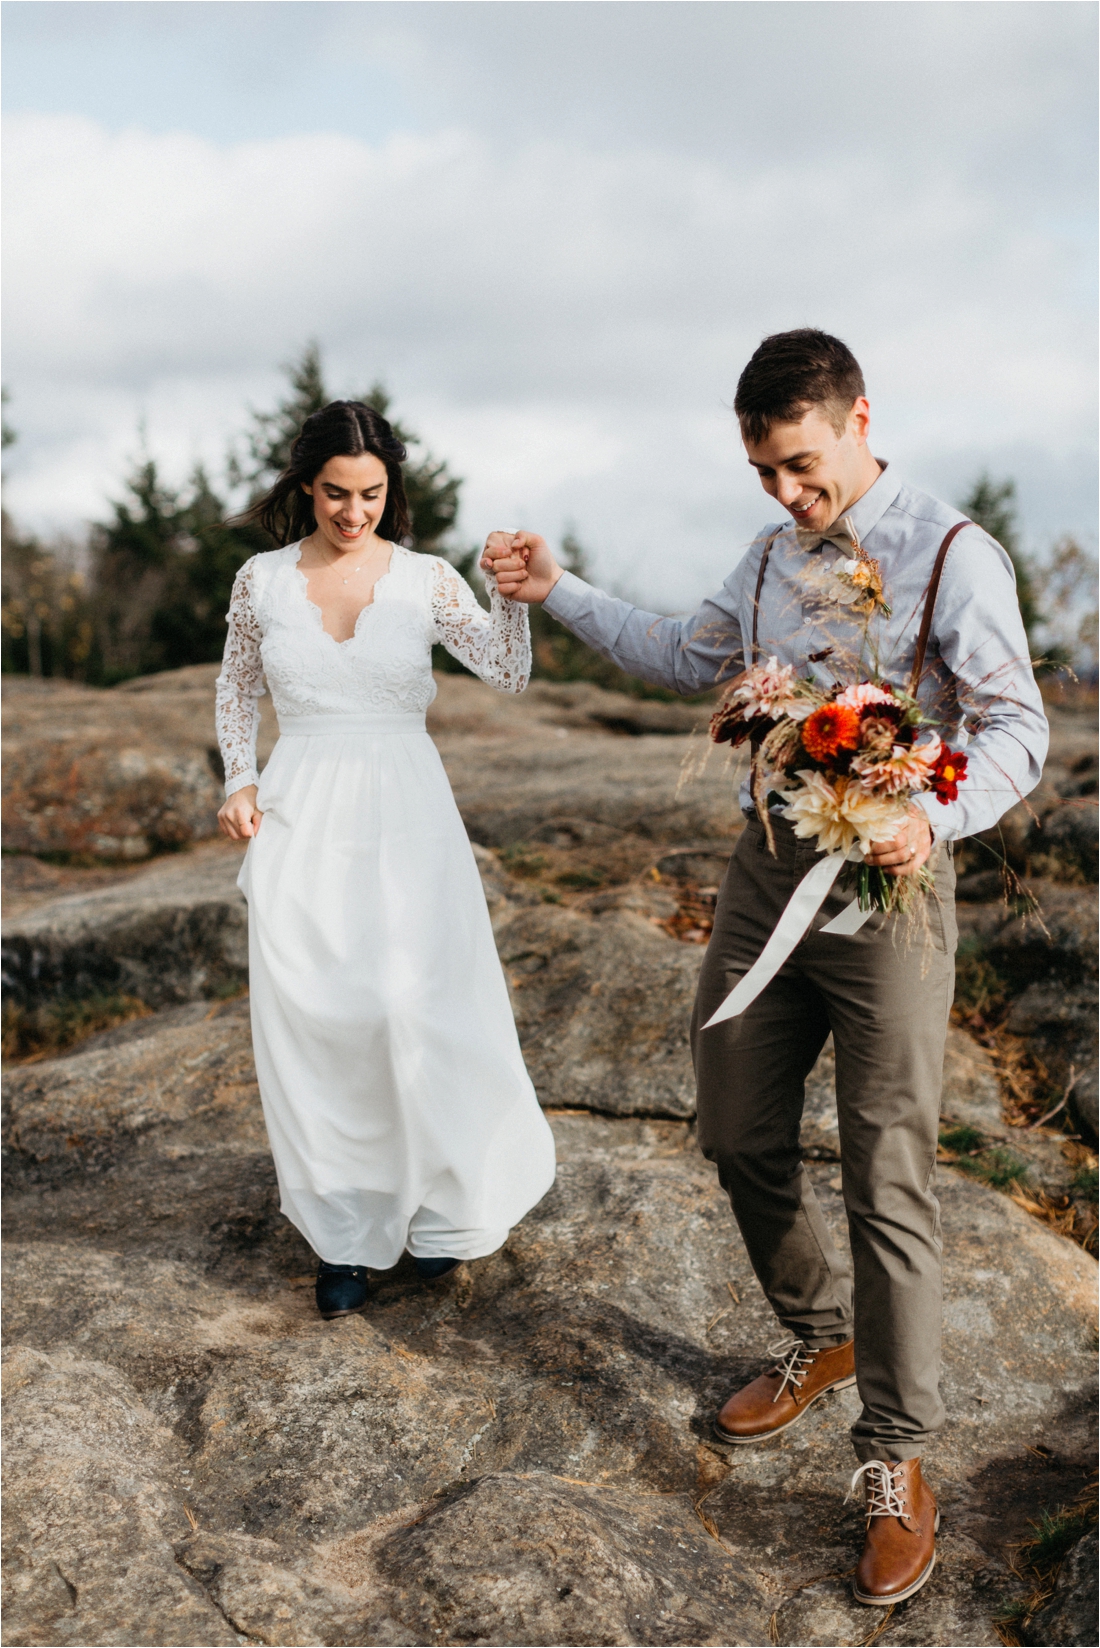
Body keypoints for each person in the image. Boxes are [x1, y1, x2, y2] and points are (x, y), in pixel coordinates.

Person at [480, 329, 1048, 1607]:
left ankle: (897, 1458)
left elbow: (1017, 724)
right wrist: (557, 591)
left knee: (883, 1167)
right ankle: (816, 1331)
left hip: (889, 886)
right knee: (732, 1119)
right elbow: (686, 655)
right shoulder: (763, 558)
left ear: (856, 418)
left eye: (800, 467)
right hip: (764, 870)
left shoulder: (954, 553)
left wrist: (930, 814)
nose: (788, 497)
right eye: (765, 476)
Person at [215, 399, 555, 1322]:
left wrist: (510, 603)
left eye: (370, 493)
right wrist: (239, 779)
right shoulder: (260, 580)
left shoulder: (423, 578)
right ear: (305, 486)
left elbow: (507, 671)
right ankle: (346, 1237)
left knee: (413, 1008)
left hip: (405, 806)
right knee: (321, 1020)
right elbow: (237, 686)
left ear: (388, 490)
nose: (353, 512)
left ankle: (444, 1211)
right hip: (301, 807)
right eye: (334, 493)